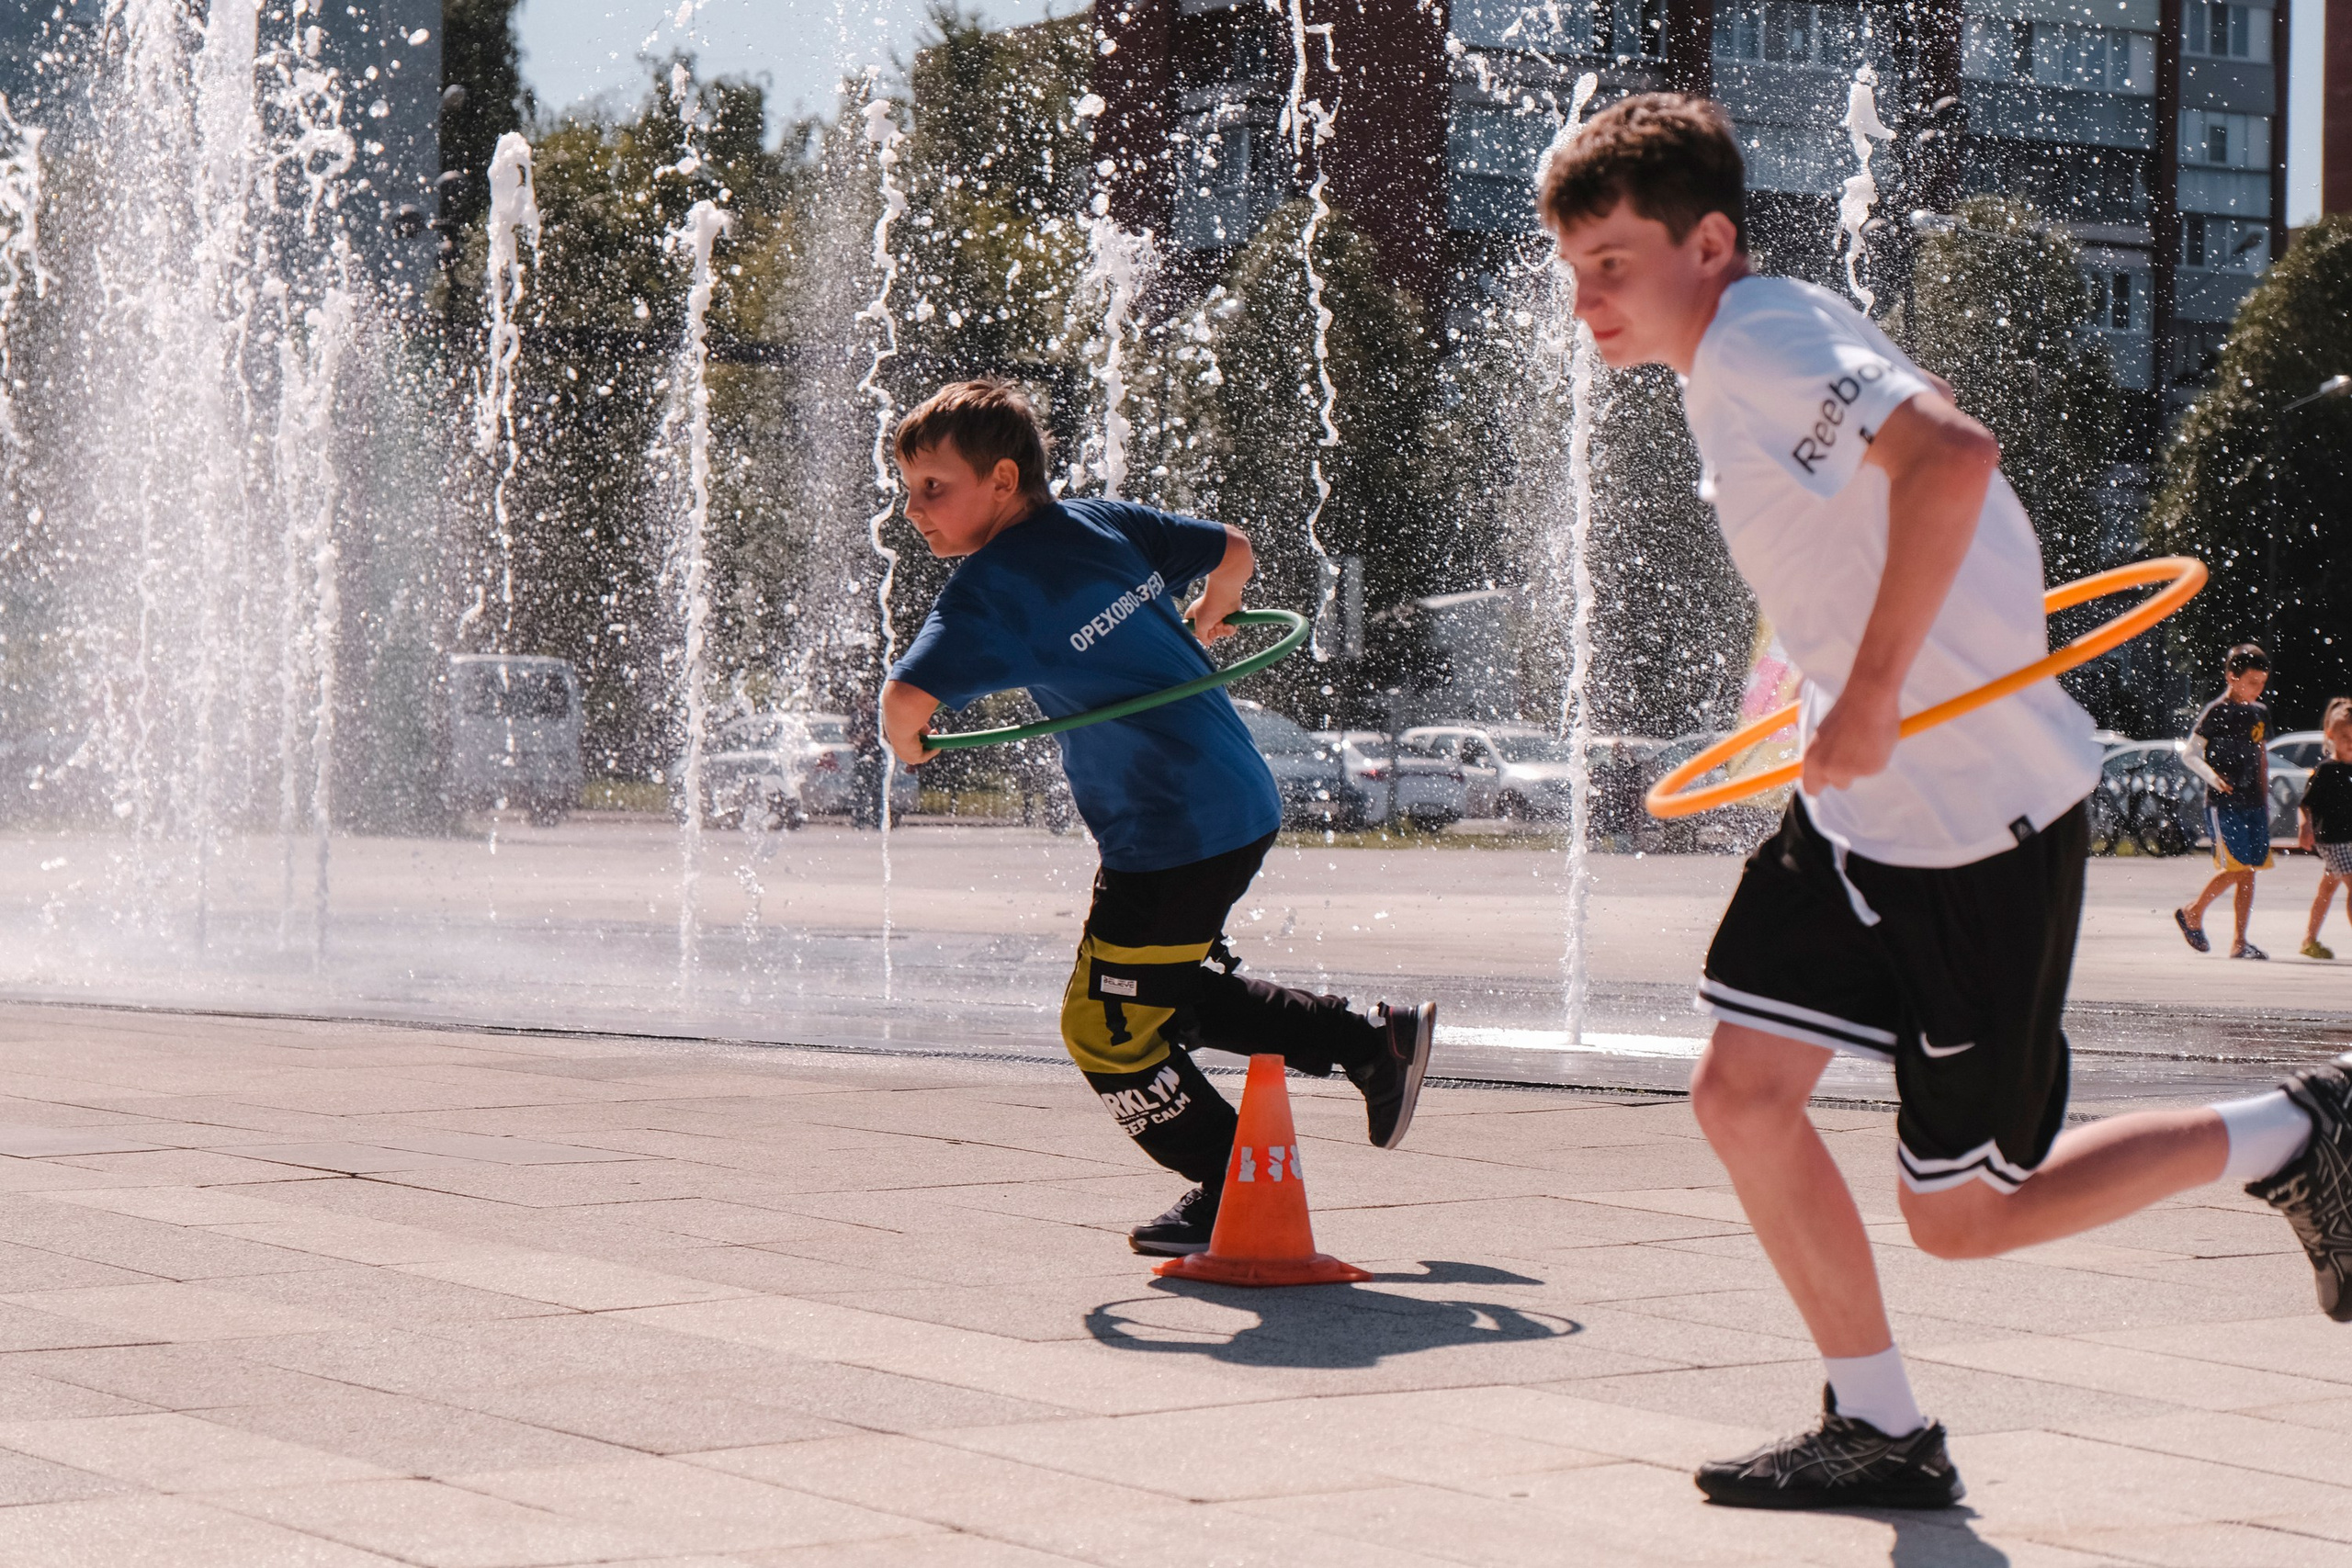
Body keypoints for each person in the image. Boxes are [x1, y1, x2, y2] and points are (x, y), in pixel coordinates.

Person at [1538, 93, 2352, 1512]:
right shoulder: (1725, 365)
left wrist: (1866, 698)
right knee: (1739, 1092)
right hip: (1864, 816)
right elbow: (1838, 543)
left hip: (1979, 821)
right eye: (1572, 263)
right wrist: (1808, 686)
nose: (1584, 292)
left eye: (1612, 257)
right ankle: (1882, 1424)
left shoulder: (1766, 332)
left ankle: (2306, 1123)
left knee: (1964, 1218)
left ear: (1709, 242)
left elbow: (1953, 458)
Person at [876, 378, 1435, 1255]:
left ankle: (1229, 1183)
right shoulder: (1102, 523)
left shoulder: (990, 589)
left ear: (1002, 479)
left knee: (1102, 1026)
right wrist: (1207, 616)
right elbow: (1236, 550)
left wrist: (911, 749)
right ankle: (1369, 1043)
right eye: (908, 491)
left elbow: (903, 703)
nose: (913, 510)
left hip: (1170, 834)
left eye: (932, 487)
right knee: (1156, 995)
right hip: (1235, 801)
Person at [2177, 644, 2276, 958]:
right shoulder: (2216, 712)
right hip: (2223, 804)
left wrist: (2265, 797)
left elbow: (2261, 756)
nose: (2258, 690)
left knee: (2249, 871)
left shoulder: (2259, 712)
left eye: (2262, 683)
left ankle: (2239, 942)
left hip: (2254, 803)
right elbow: (2190, 753)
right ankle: (2193, 911)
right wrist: (2213, 777)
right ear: (2232, 677)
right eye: (2252, 682)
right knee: (2238, 866)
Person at [2298, 697, 2352, 960]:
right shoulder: (2326, 770)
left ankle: (2309, 940)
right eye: (2345, 736)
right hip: (2332, 839)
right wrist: (2305, 827)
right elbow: (2305, 804)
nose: (2350, 742)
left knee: (2327, 890)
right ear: (2331, 735)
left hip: (2347, 839)